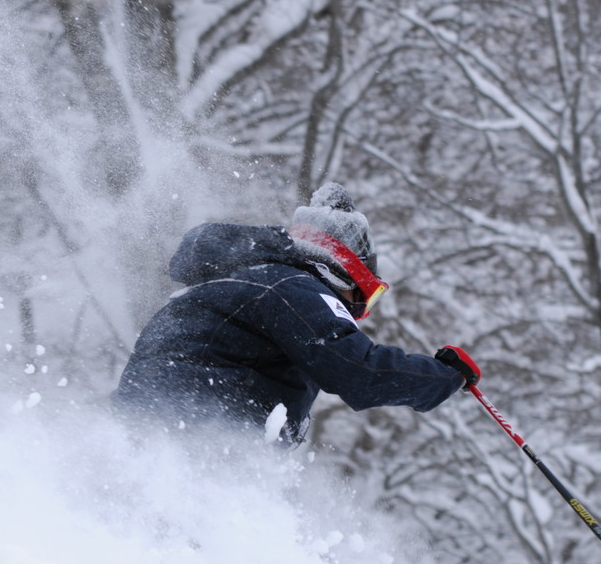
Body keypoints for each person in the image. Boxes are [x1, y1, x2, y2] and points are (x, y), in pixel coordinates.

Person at [113, 183, 480, 444]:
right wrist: (446, 377)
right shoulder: (291, 287)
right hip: (197, 433)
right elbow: (358, 370)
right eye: (361, 299)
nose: (355, 313)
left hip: (146, 431)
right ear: (343, 271)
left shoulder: (231, 283)